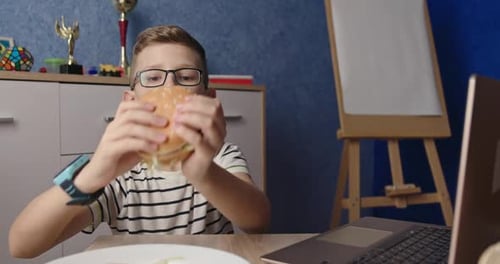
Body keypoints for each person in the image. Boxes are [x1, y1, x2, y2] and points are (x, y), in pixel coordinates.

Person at [9, 25, 271, 258]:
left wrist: (203, 173)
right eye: (153, 77)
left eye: (187, 77)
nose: (169, 87)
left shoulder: (221, 157)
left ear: (208, 98)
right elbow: (21, 246)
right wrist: (92, 175)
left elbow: (257, 221)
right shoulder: (119, 174)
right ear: (130, 101)